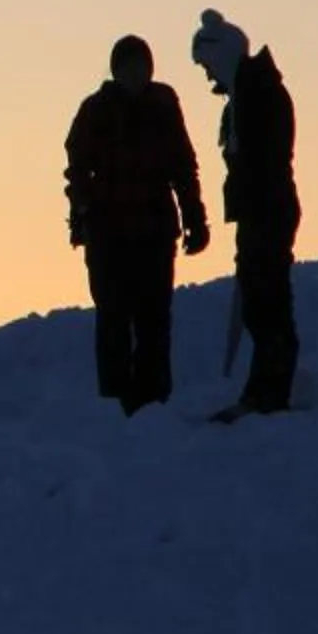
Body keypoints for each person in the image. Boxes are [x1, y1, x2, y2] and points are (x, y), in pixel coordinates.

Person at [64, 35, 211, 415]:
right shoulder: (95, 110)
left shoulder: (164, 105)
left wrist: (195, 217)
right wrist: (81, 214)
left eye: (143, 66)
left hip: (154, 231)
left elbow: (183, 164)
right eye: (130, 66)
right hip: (108, 234)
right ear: (116, 70)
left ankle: (154, 402)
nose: (138, 73)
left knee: (154, 319)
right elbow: (76, 167)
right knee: (113, 317)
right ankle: (115, 403)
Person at [190, 10, 302, 419]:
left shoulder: (259, 94)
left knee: (267, 302)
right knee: (260, 303)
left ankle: (270, 393)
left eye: (206, 66)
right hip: (260, 207)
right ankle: (262, 390)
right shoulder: (246, 94)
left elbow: (262, 159)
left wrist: (249, 196)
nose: (206, 77)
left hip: (267, 208)